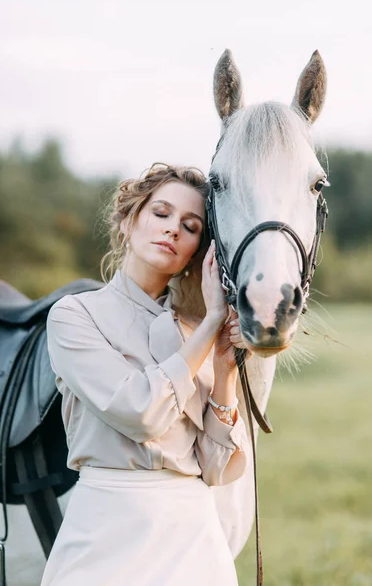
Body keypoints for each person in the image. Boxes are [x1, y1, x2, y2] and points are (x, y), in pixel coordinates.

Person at [41, 163, 250, 586]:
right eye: (161, 214)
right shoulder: (74, 317)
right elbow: (139, 412)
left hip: (193, 537)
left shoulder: (193, 330)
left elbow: (214, 468)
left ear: (198, 251)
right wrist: (211, 325)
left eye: (190, 226)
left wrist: (225, 373)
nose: (173, 229)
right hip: (106, 528)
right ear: (128, 221)